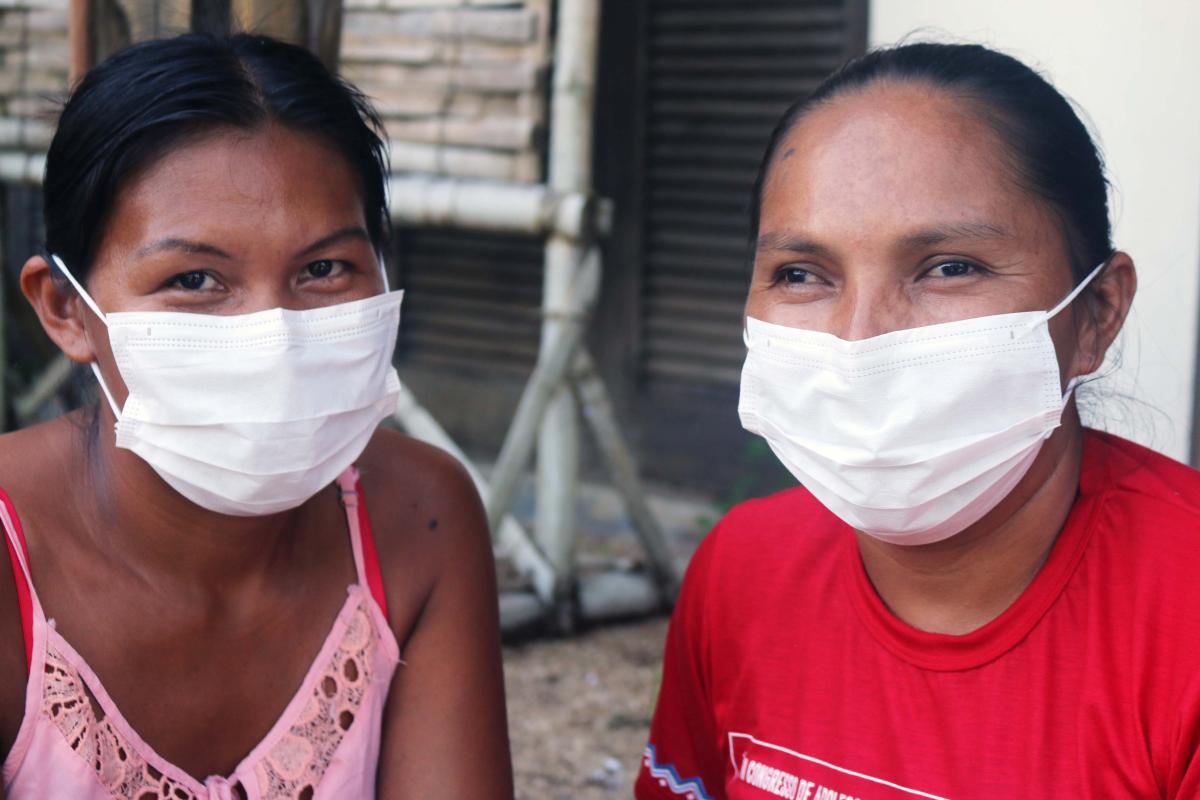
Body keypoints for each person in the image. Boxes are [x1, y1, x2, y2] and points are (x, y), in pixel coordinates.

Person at [636, 42, 1200, 799]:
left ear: (1096, 316)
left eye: (948, 267)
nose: (861, 340)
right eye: (801, 275)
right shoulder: (740, 573)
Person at [0, 34, 511, 799]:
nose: (276, 339)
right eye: (195, 278)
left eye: (322, 269)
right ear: (68, 309)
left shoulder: (420, 518)